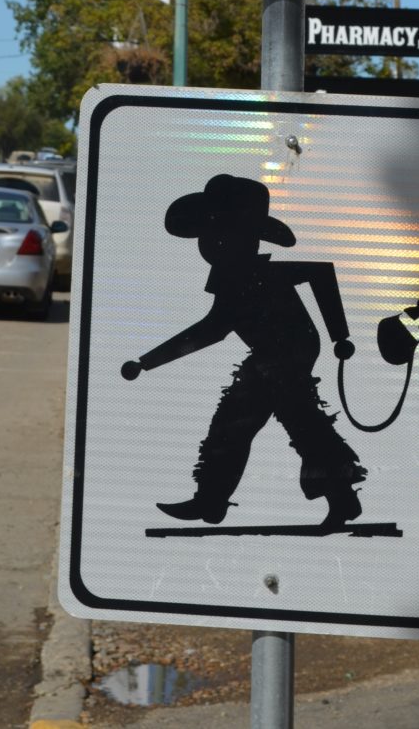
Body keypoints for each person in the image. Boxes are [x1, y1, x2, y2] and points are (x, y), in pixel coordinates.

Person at [122, 173, 366, 531]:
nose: (214, 243)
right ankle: (211, 501)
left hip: (289, 352)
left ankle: (338, 498)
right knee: (241, 424)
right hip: (270, 357)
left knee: (297, 424)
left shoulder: (261, 272)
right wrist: (148, 362)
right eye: (211, 234)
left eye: (224, 233)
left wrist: (339, 335)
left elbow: (322, 274)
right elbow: (214, 328)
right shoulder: (230, 275)